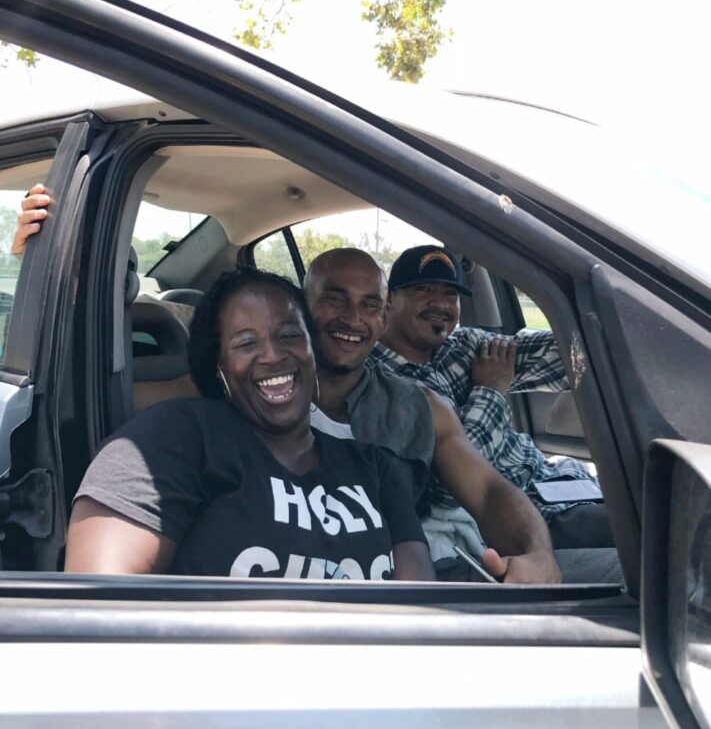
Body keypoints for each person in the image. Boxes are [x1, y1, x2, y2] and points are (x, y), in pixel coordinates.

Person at [17, 186, 560, 583]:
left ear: (385, 314)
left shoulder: (408, 423)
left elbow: (488, 492)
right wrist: (50, 274)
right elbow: (74, 391)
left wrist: (539, 553)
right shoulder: (201, 413)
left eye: (369, 304)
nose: (352, 318)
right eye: (333, 299)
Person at [66, 267, 435, 580]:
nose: (273, 355)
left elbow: (419, 612)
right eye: (246, 343)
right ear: (218, 366)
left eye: (289, 335)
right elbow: (97, 610)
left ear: (312, 349)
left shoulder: (375, 468)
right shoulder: (174, 438)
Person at [372, 244, 615, 551]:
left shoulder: (463, 344)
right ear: (390, 299)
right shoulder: (381, 384)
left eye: (451, 294)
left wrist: (603, 323)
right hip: (522, 518)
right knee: (659, 534)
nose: (441, 304)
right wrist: (491, 391)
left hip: (556, 481)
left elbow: (565, 357)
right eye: (423, 289)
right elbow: (452, 490)